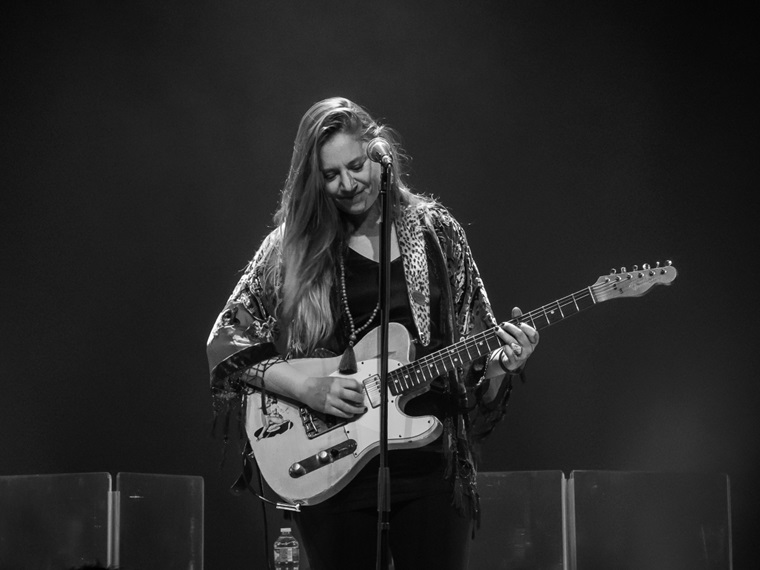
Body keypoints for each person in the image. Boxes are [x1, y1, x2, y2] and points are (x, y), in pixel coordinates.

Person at [206, 97, 539, 570]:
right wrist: (306, 386)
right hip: (331, 465)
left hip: (431, 469)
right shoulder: (294, 246)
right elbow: (225, 340)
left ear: (378, 149)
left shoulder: (435, 233)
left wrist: (502, 369)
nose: (347, 184)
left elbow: (476, 370)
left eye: (357, 166)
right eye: (330, 175)